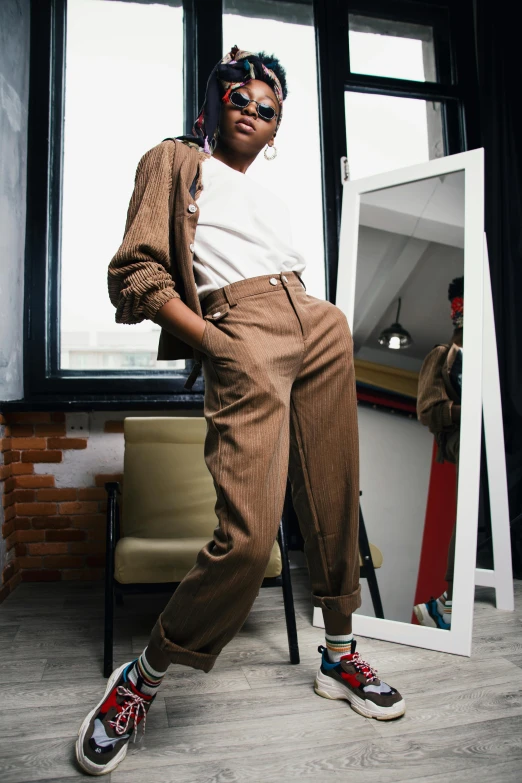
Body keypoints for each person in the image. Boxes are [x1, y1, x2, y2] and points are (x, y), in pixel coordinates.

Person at [75, 45, 405, 777]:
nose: (255, 112)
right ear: (215, 101)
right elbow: (135, 273)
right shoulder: (175, 161)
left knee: (332, 500)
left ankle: (340, 653)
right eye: (243, 99)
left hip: (314, 321)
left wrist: (322, 318)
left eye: (270, 108)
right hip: (240, 328)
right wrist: (216, 344)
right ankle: (140, 678)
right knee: (250, 540)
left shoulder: (271, 194)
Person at [414, 277, 463, 630]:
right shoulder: (442, 356)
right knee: (473, 514)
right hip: (462, 440)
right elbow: (428, 411)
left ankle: (446, 604)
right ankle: (448, 601)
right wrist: (469, 410)